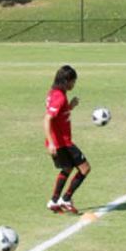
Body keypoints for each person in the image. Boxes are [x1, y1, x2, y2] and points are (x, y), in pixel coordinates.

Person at [44, 65, 91, 214]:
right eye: (73, 82)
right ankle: (66, 198)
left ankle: (53, 201)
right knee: (85, 168)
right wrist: (51, 143)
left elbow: (58, 115)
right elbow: (47, 119)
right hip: (62, 143)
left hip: (60, 142)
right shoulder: (59, 97)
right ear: (66, 81)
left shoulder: (54, 93)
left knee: (68, 168)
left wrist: (70, 106)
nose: (73, 85)